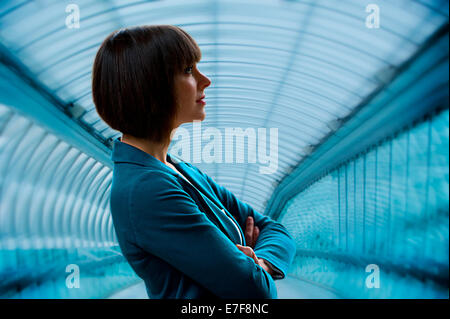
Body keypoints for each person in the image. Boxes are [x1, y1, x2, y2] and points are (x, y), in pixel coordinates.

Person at [92, 25, 296, 299]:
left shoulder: (179, 170)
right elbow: (254, 291)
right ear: (151, 85)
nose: (205, 80)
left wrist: (258, 263)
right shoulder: (146, 190)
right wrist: (249, 267)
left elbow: (275, 229)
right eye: (188, 70)